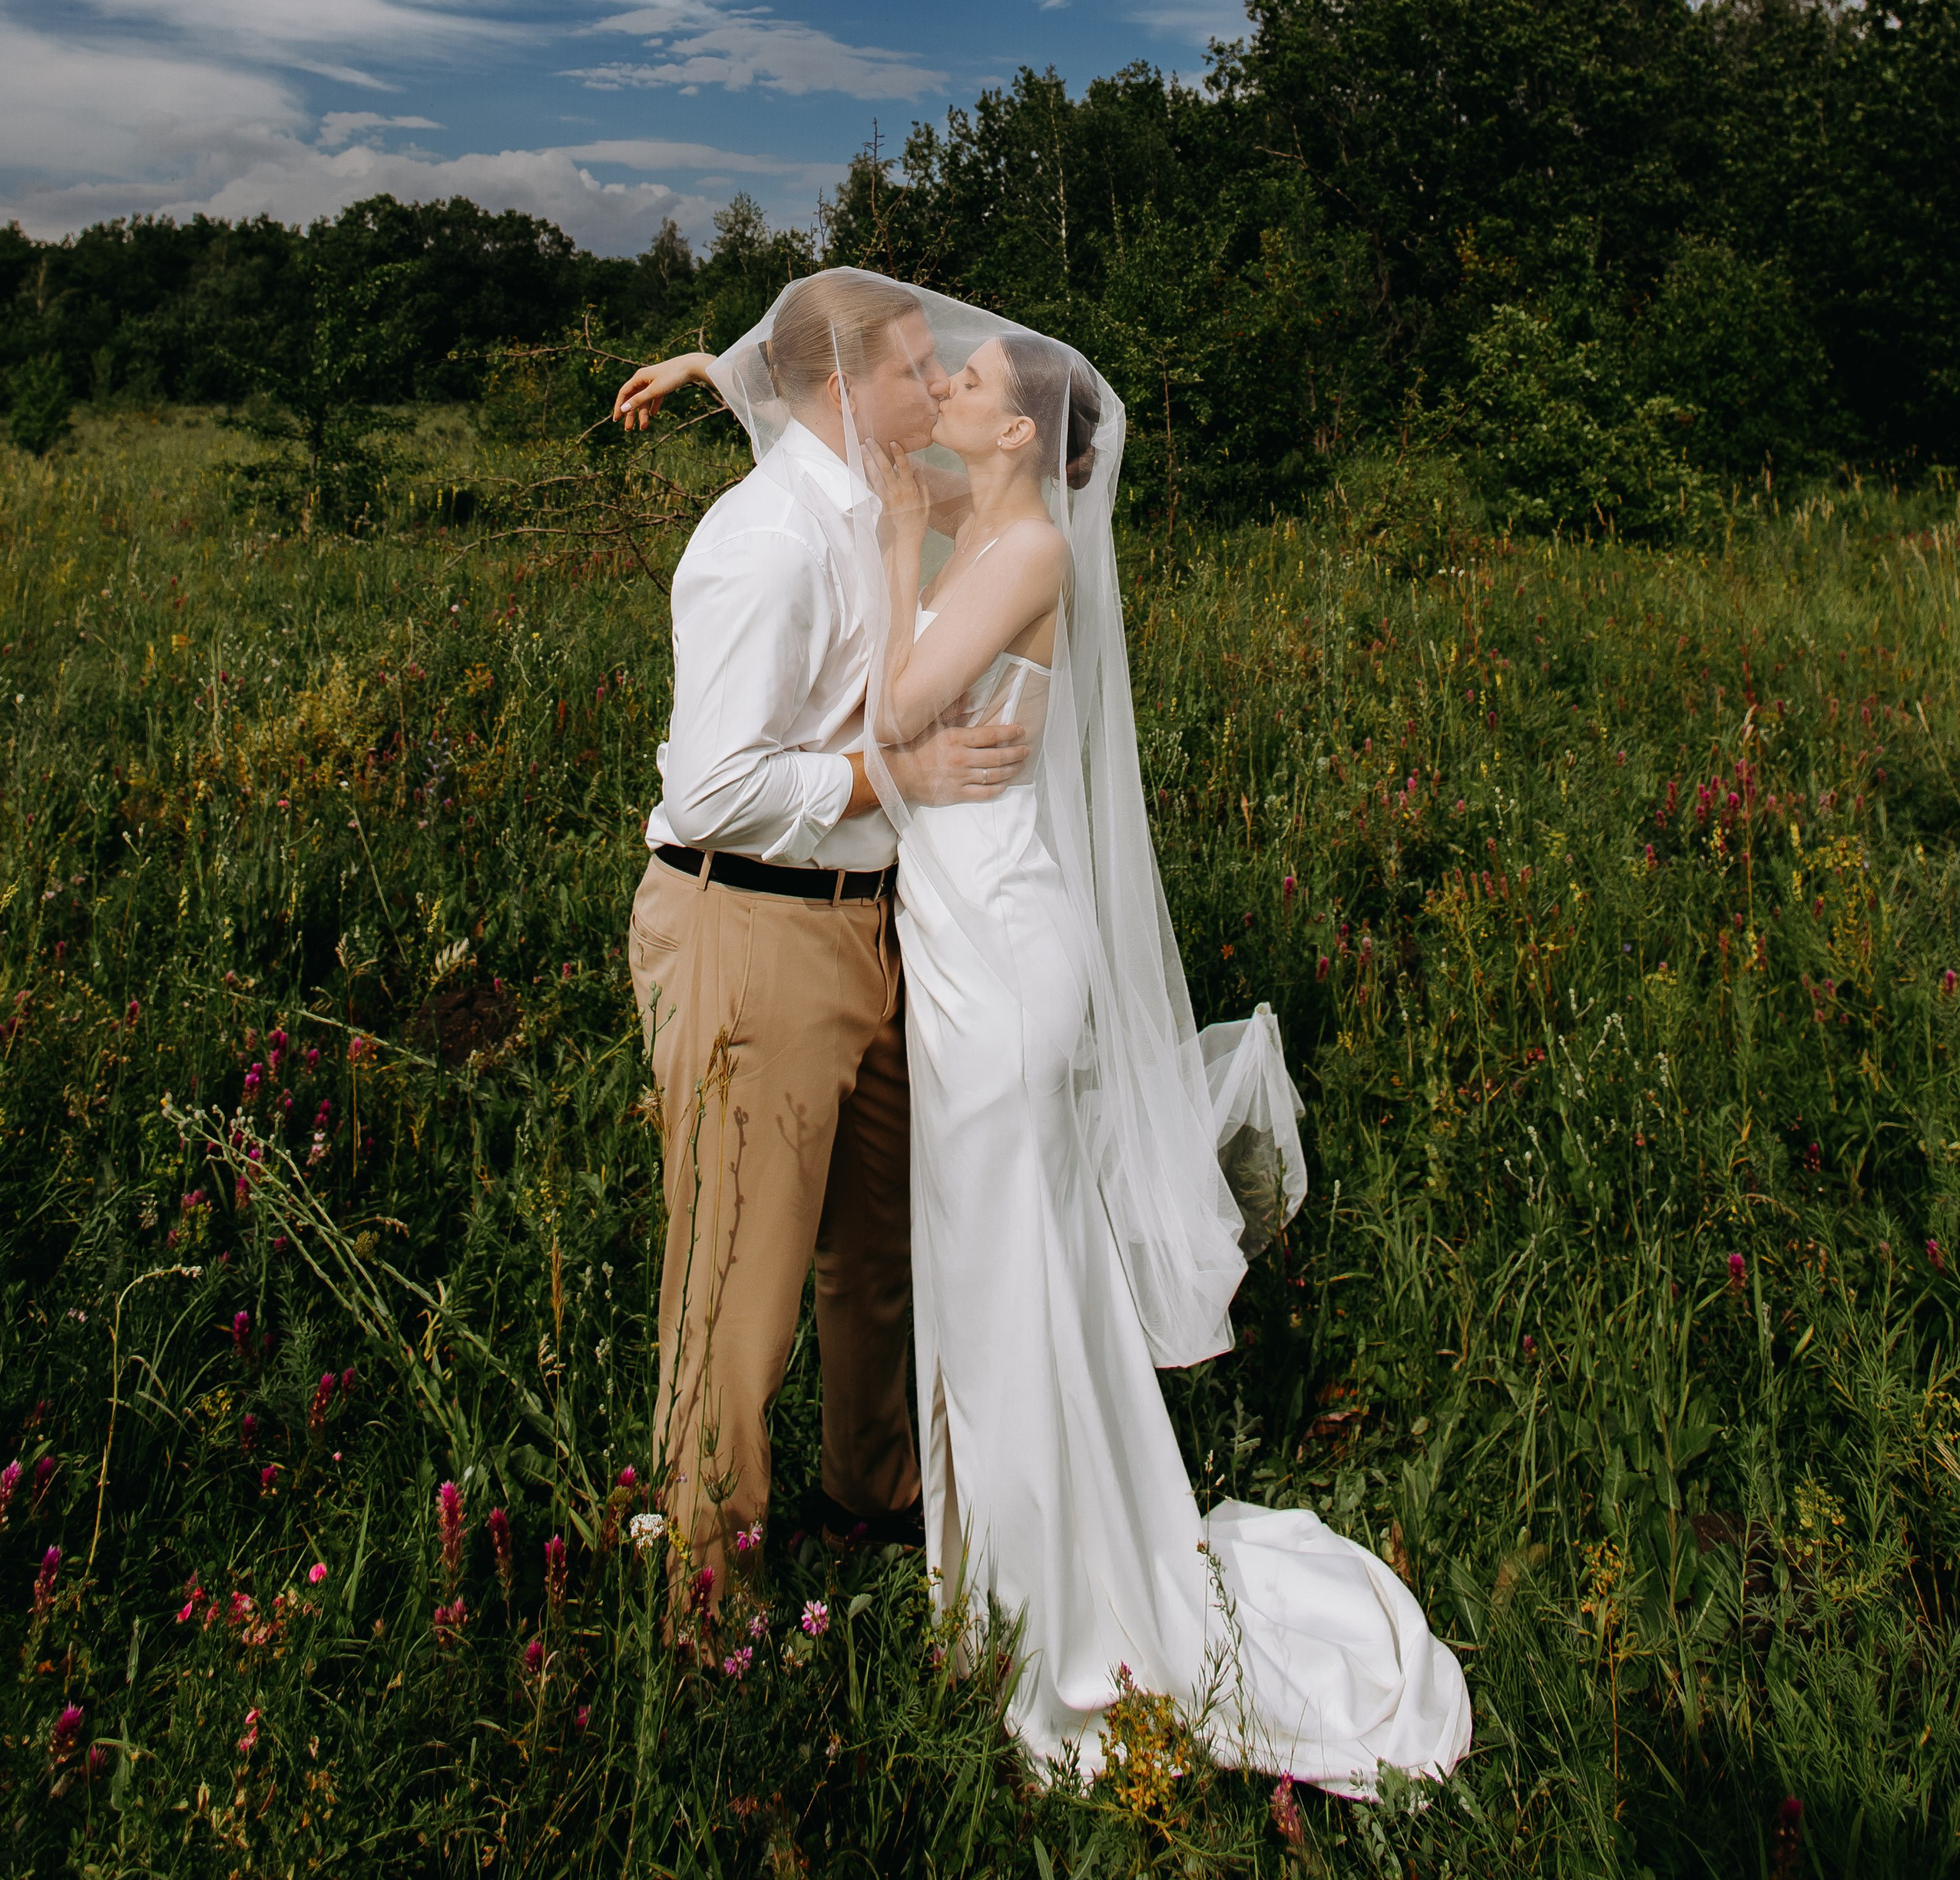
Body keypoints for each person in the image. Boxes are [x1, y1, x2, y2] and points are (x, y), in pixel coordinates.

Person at [692, 273, 1474, 1796]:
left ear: (1016, 433)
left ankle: (1061, 1612)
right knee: (985, 1273)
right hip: (957, 942)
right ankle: (1000, 1585)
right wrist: (717, 371)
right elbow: (829, 429)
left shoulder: (1028, 546)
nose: (944, 385)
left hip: (1000, 957)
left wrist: (891, 584)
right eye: (939, 374)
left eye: (970, 380)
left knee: (1011, 1276)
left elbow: (897, 704)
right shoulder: (963, 507)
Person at [611, 273, 1029, 1614]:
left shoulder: (876, 491)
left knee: (872, 1249)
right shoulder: (767, 541)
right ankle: (709, 1591)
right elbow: (714, 789)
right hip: (751, 923)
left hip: (867, 929)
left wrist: (708, 367)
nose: (938, 383)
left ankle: (874, 1497)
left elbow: (789, 380)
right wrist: (891, 773)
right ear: (846, 390)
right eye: (914, 368)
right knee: (739, 1274)